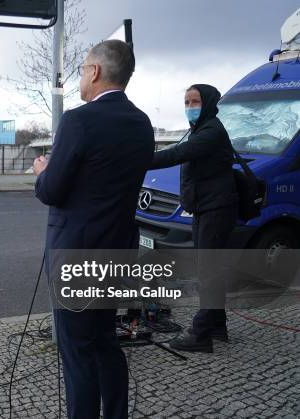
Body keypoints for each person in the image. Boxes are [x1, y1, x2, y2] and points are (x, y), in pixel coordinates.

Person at [33, 40, 154, 419]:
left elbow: (53, 190)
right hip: (118, 250)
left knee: (79, 353)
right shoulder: (142, 122)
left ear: (96, 71)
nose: (82, 75)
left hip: (77, 256)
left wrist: (42, 172)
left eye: (84, 68)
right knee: (105, 341)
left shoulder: (78, 119)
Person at [150, 84, 238, 353]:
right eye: (186, 102)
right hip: (206, 207)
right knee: (209, 267)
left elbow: (179, 153)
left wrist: (138, 160)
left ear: (209, 102)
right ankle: (217, 326)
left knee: (208, 271)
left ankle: (201, 334)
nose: (190, 107)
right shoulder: (200, 129)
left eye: (195, 101)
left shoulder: (211, 131)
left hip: (216, 209)